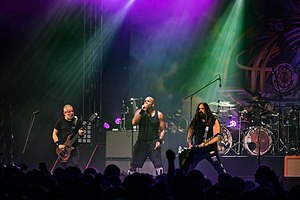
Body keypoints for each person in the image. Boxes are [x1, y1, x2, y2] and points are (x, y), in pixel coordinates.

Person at [180, 102, 226, 175]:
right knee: (188, 168)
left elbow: (217, 136)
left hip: (210, 150)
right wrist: (189, 144)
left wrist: (207, 143)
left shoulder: (213, 120)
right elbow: (190, 133)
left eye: (202, 109)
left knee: (219, 169)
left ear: (206, 110)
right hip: (197, 149)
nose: (200, 111)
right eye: (199, 109)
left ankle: (226, 182)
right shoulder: (195, 120)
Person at [128, 96, 166, 176]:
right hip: (141, 142)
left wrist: (159, 141)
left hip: (153, 142)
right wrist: (142, 111)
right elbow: (134, 123)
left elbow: (163, 129)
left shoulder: (159, 114)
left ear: (153, 104)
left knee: (158, 164)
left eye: (148, 101)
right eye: (145, 101)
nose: (146, 103)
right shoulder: (139, 112)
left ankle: (160, 181)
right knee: (133, 165)